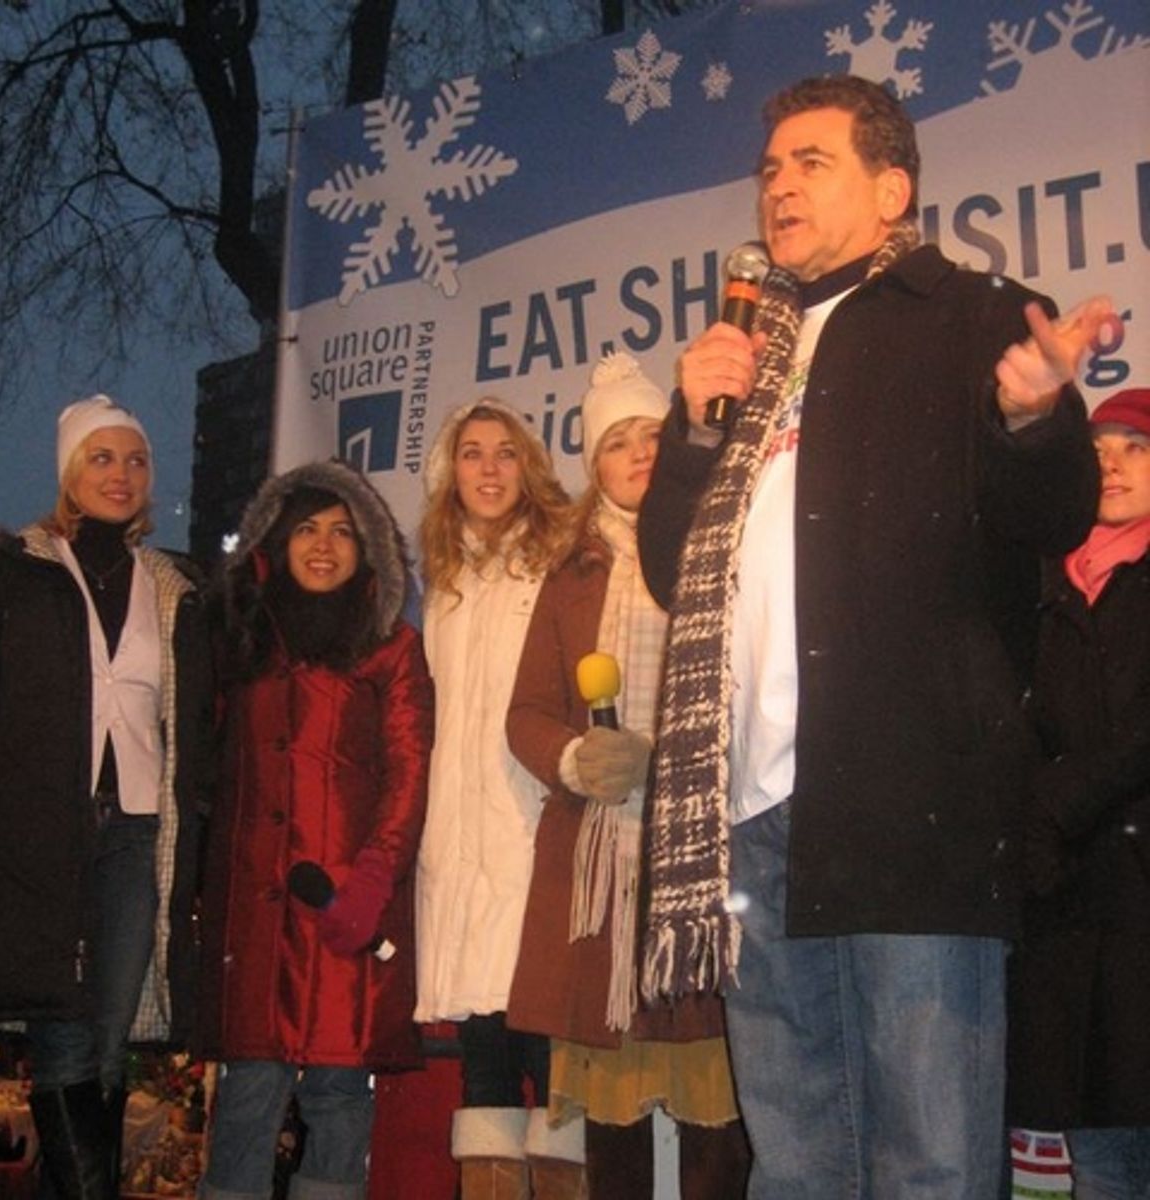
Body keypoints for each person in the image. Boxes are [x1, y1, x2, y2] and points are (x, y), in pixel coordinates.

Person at [636, 75, 1108, 1198]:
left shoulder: (970, 316)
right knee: (797, 1159)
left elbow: (1051, 520)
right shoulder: (746, 353)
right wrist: (695, 436)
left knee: (929, 1160)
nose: (779, 184)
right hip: (752, 810)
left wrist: (1035, 420)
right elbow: (671, 568)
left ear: (891, 188)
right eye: (769, 167)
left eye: (812, 162)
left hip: (916, 801)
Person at [0, 394, 212, 1199]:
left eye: (135, 460)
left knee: (110, 1038)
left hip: (136, 831)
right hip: (38, 836)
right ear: (69, 471)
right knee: (62, 1030)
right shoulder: (9, 573)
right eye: (101, 458)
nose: (121, 474)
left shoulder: (171, 584)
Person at [506, 352, 752, 1199]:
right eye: (619, 441)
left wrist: (678, 758)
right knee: (612, 1127)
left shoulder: (727, 546)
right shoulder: (569, 574)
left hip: (702, 866)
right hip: (599, 877)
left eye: (655, 432)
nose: (642, 451)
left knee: (719, 1112)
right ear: (594, 466)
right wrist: (577, 758)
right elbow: (526, 713)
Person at [196, 460, 433, 1200]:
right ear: (276, 541)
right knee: (248, 1093)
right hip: (255, 915)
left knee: (337, 1091)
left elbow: (409, 770)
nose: (324, 545)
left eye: (343, 532)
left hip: (343, 911)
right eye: (307, 529)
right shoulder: (239, 645)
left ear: (369, 550)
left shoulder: (389, 648)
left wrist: (373, 877)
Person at [413, 398, 579, 1197]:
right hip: (463, 841)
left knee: (547, 1051)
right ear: (451, 472)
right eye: (472, 453)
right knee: (482, 1055)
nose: (488, 469)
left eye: (504, 453)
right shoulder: (441, 585)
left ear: (529, 467)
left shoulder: (560, 563)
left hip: (535, 830)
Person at [1007, 387, 1150, 1200]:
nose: (1111, 465)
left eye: (1134, 447)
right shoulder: (1037, 582)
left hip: (1137, 888)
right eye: (1095, 451)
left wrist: (1058, 800)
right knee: (1098, 1143)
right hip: (1065, 907)